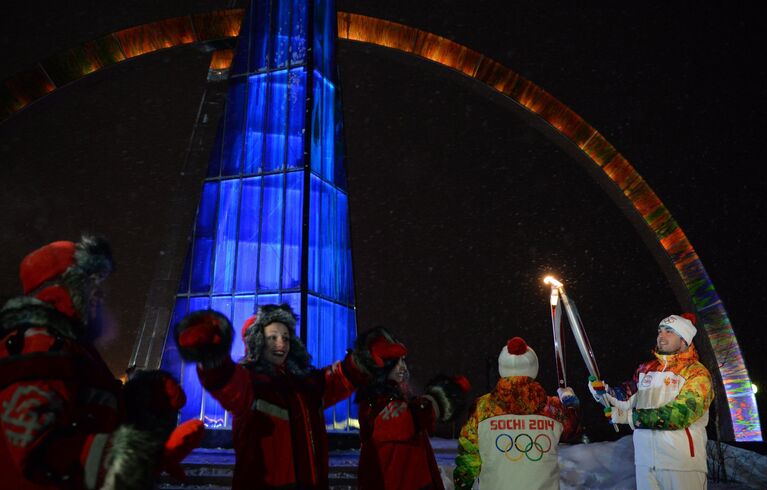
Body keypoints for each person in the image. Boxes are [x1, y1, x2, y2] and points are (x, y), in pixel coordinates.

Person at [0, 236, 202, 490]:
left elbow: (87, 412)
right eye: (91, 280)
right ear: (59, 288)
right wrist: (134, 459)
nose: (100, 292)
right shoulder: (39, 343)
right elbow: (39, 450)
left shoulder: (71, 344)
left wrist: (139, 398)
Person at [173, 304, 406, 489]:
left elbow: (339, 378)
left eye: (285, 337)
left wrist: (365, 358)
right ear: (258, 340)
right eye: (272, 337)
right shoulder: (250, 381)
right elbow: (228, 384)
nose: (281, 343)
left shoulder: (306, 383)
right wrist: (213, 359)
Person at [588, 313, 713, 490]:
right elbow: (625, 397)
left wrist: (630, 417)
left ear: (684, 339)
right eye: (660, 331)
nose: (661, 336)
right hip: (646, 463)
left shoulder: (696, 373)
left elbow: (680, 415)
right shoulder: (646, 369)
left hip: (681, 465)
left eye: (669, 332)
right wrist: (603, 391)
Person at [454, 337, 581, 490]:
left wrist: (462, 483)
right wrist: (570, 405)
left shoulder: (482, 408)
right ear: (533, 368)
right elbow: (573, 431)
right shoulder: (553, 409)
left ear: (502, 368)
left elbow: (469, 454)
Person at [354, 326, 471, 490]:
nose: (403, 367)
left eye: (403, 361)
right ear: (383, 368)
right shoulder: (377, 404)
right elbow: (408, 421)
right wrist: (440, 399)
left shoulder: (392, 401)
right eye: (397, 362)